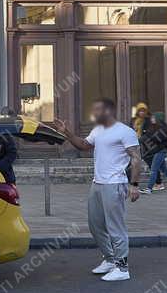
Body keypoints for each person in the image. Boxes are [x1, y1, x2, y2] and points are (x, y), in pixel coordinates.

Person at [52, 98, 142, 282]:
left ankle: (122, 268)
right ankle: (110, 259)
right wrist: (67, 133)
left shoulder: (125, 131)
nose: (95, 113)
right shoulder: (98, 130)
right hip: (98, 183)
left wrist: (134, 185)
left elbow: (136, 158)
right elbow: (84, 146)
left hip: (115, 183)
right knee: (95, 225)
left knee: (115, 227)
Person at [138, 114, 167, 194]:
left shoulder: (163, 129)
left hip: (161, 151)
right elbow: (151, 136)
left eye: (154, 118)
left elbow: (156, 139)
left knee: (154, 169)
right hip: (158, 151)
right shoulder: (155, 128)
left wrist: (146, 136)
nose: (152, 119)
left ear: (158, 119)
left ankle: (149, 189)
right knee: (165, 170)